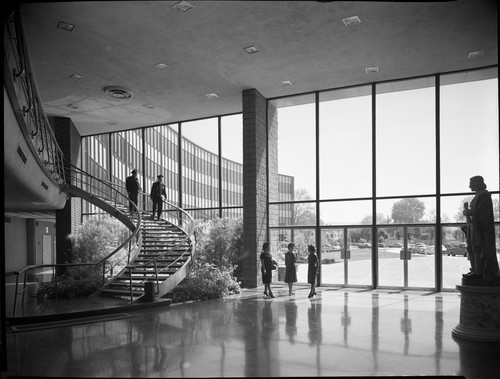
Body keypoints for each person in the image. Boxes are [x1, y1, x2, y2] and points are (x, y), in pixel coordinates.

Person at [462, 175, 500, 283]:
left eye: (471, 183)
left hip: (480, 228)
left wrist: (468, 211)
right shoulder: (479, 195)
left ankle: (479, 272)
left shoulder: (484, 195)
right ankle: (475, 270)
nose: (470, 186)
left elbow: (482, 213)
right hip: (475, 226)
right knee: (472, 248)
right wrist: (467, 211)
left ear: (478, 183)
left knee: (477, 248)